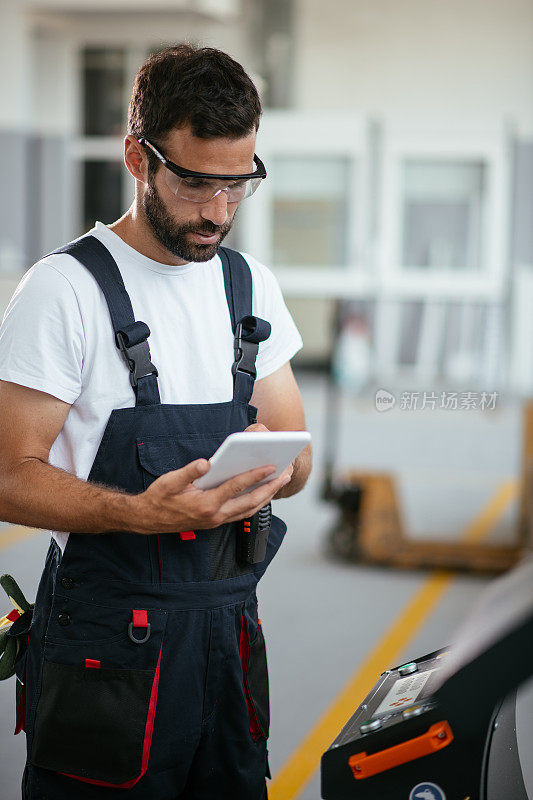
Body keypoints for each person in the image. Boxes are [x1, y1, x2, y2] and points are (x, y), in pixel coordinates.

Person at [0, 44, 312, 799]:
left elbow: (298, 460)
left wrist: (277, 466)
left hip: (228, 644)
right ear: (138, 157)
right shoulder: (64, 290)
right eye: (198, 184)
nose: (218, 212)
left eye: (238, 186)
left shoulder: (247, 285)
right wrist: (142, 513)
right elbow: (8, 476)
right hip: (108, 649)